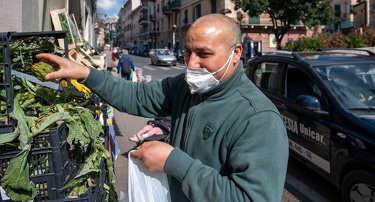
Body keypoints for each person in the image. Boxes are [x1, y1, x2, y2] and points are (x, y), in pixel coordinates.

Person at [36, 14, 289, 202]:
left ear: (236, 53)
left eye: (204, 53)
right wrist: (87, 74)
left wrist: (174, 162)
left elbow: (252, 198)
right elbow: (138, 96)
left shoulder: (258, 119)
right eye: (188, 51)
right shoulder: (186, 86)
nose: (191, 63)